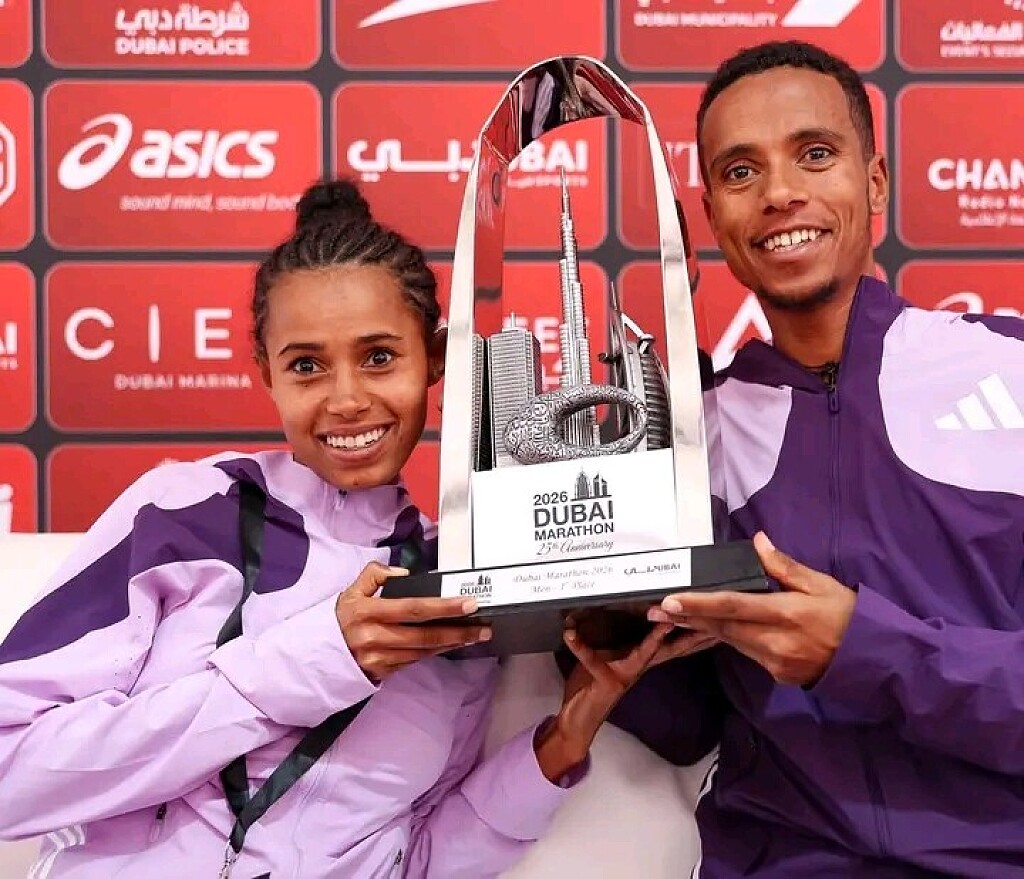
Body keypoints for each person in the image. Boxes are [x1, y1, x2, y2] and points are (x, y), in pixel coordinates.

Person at [0, 179, 710, 878]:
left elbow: (417, 857)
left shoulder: (459, 579)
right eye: (307, 366)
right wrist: (319, 658)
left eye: (378, 358)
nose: (346, 400)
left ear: (436, 360)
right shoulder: (183, 512)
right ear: (267, 373)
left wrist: (568, 733)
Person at [604, 40, 1024, 878]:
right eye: (740, 171)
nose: (779, 192)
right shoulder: (689, 437)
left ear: (875, 182)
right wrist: (600, 634)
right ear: (713, 215)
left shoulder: (1009, 369)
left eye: (816, 154)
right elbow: (683, 726)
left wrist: (865, 649)